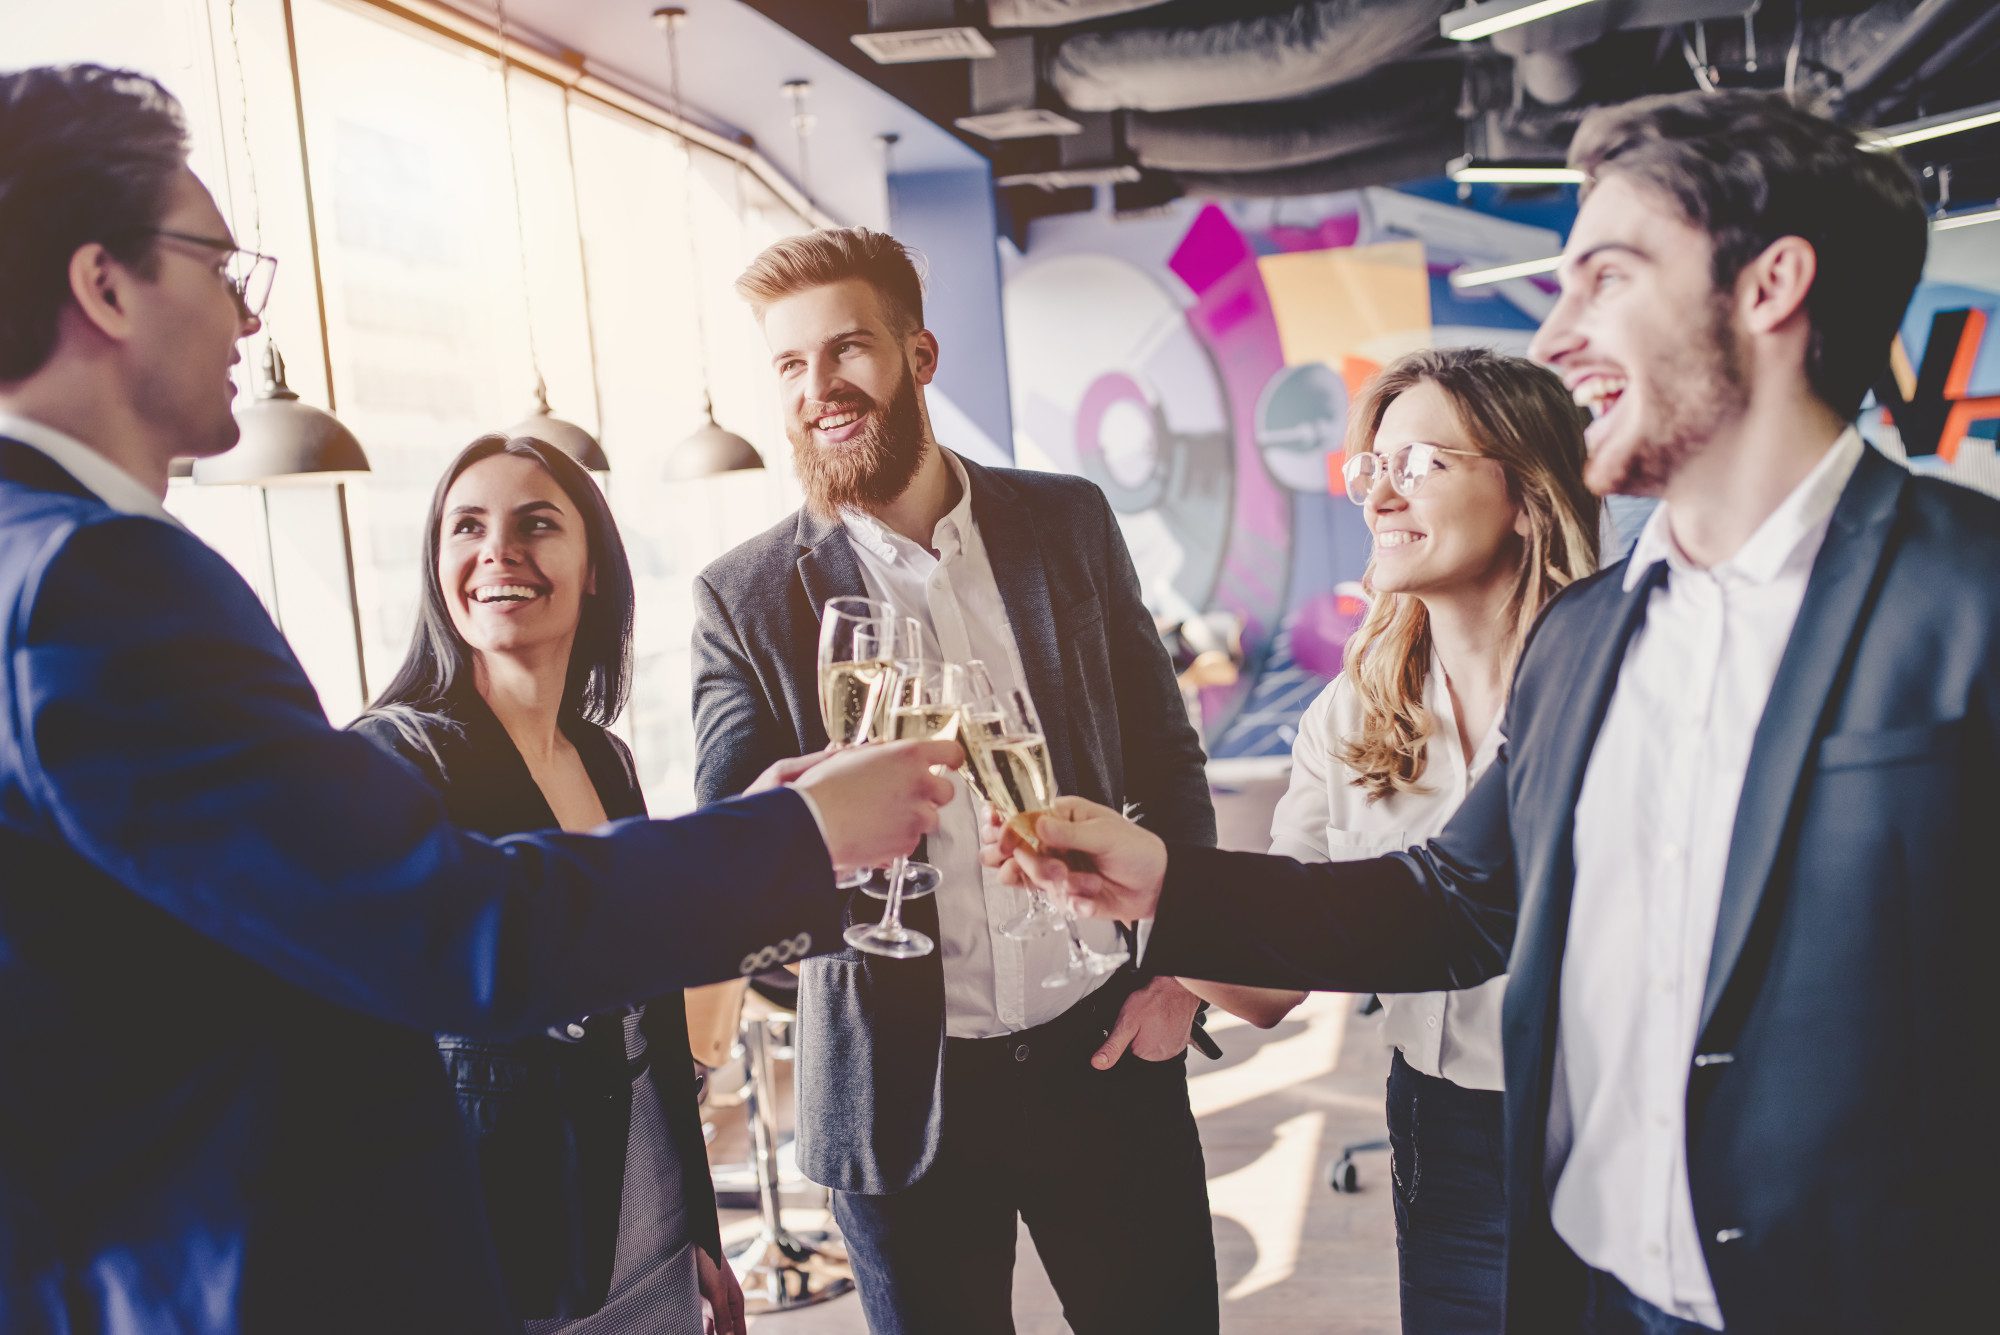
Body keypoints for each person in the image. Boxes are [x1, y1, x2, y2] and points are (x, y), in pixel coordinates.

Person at [992, 89, 1997, 1335]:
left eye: (1605, 280)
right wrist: (1161, 880)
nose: (1560, 333)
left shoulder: (1971, 596)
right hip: (1585, 1276)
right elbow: (1456, 903)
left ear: (1769, 287)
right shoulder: (1592, 637)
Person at [0, 64, 958, 1333]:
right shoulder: (93, 581)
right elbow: (456, 932)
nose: (246, 318)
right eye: (220, 265)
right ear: (103, 282)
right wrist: (810, 834)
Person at [692, 227, 1219, 1334]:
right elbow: (728, 858)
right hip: (899, 1101)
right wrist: (799, 821)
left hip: (1103, 1046)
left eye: (847, 352)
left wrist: (1180, 974)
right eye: (788, 365)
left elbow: (1165, 761)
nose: (818, 389)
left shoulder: (1065, 521)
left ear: (919, 357)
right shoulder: (740, 600)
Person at [1189, 346, 1598, 1333]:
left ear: (1527, 494)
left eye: (1421, 462)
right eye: (1369, 467)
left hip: (1608, 1124)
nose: (1376, 495)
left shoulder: (1615, 682)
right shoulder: (1349, 714)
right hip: (1441, 1126)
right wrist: (1123, 902)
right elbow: (1269, 980)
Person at [350, 434, 746, 1333]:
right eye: (468, 528)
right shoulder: (394, 760)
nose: (498, 550)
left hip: (644, 1192)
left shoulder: (605, 757)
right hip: (503, 1237)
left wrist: (701, 1225)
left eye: (536, 523)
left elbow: (659, 1012)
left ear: (594, 566)